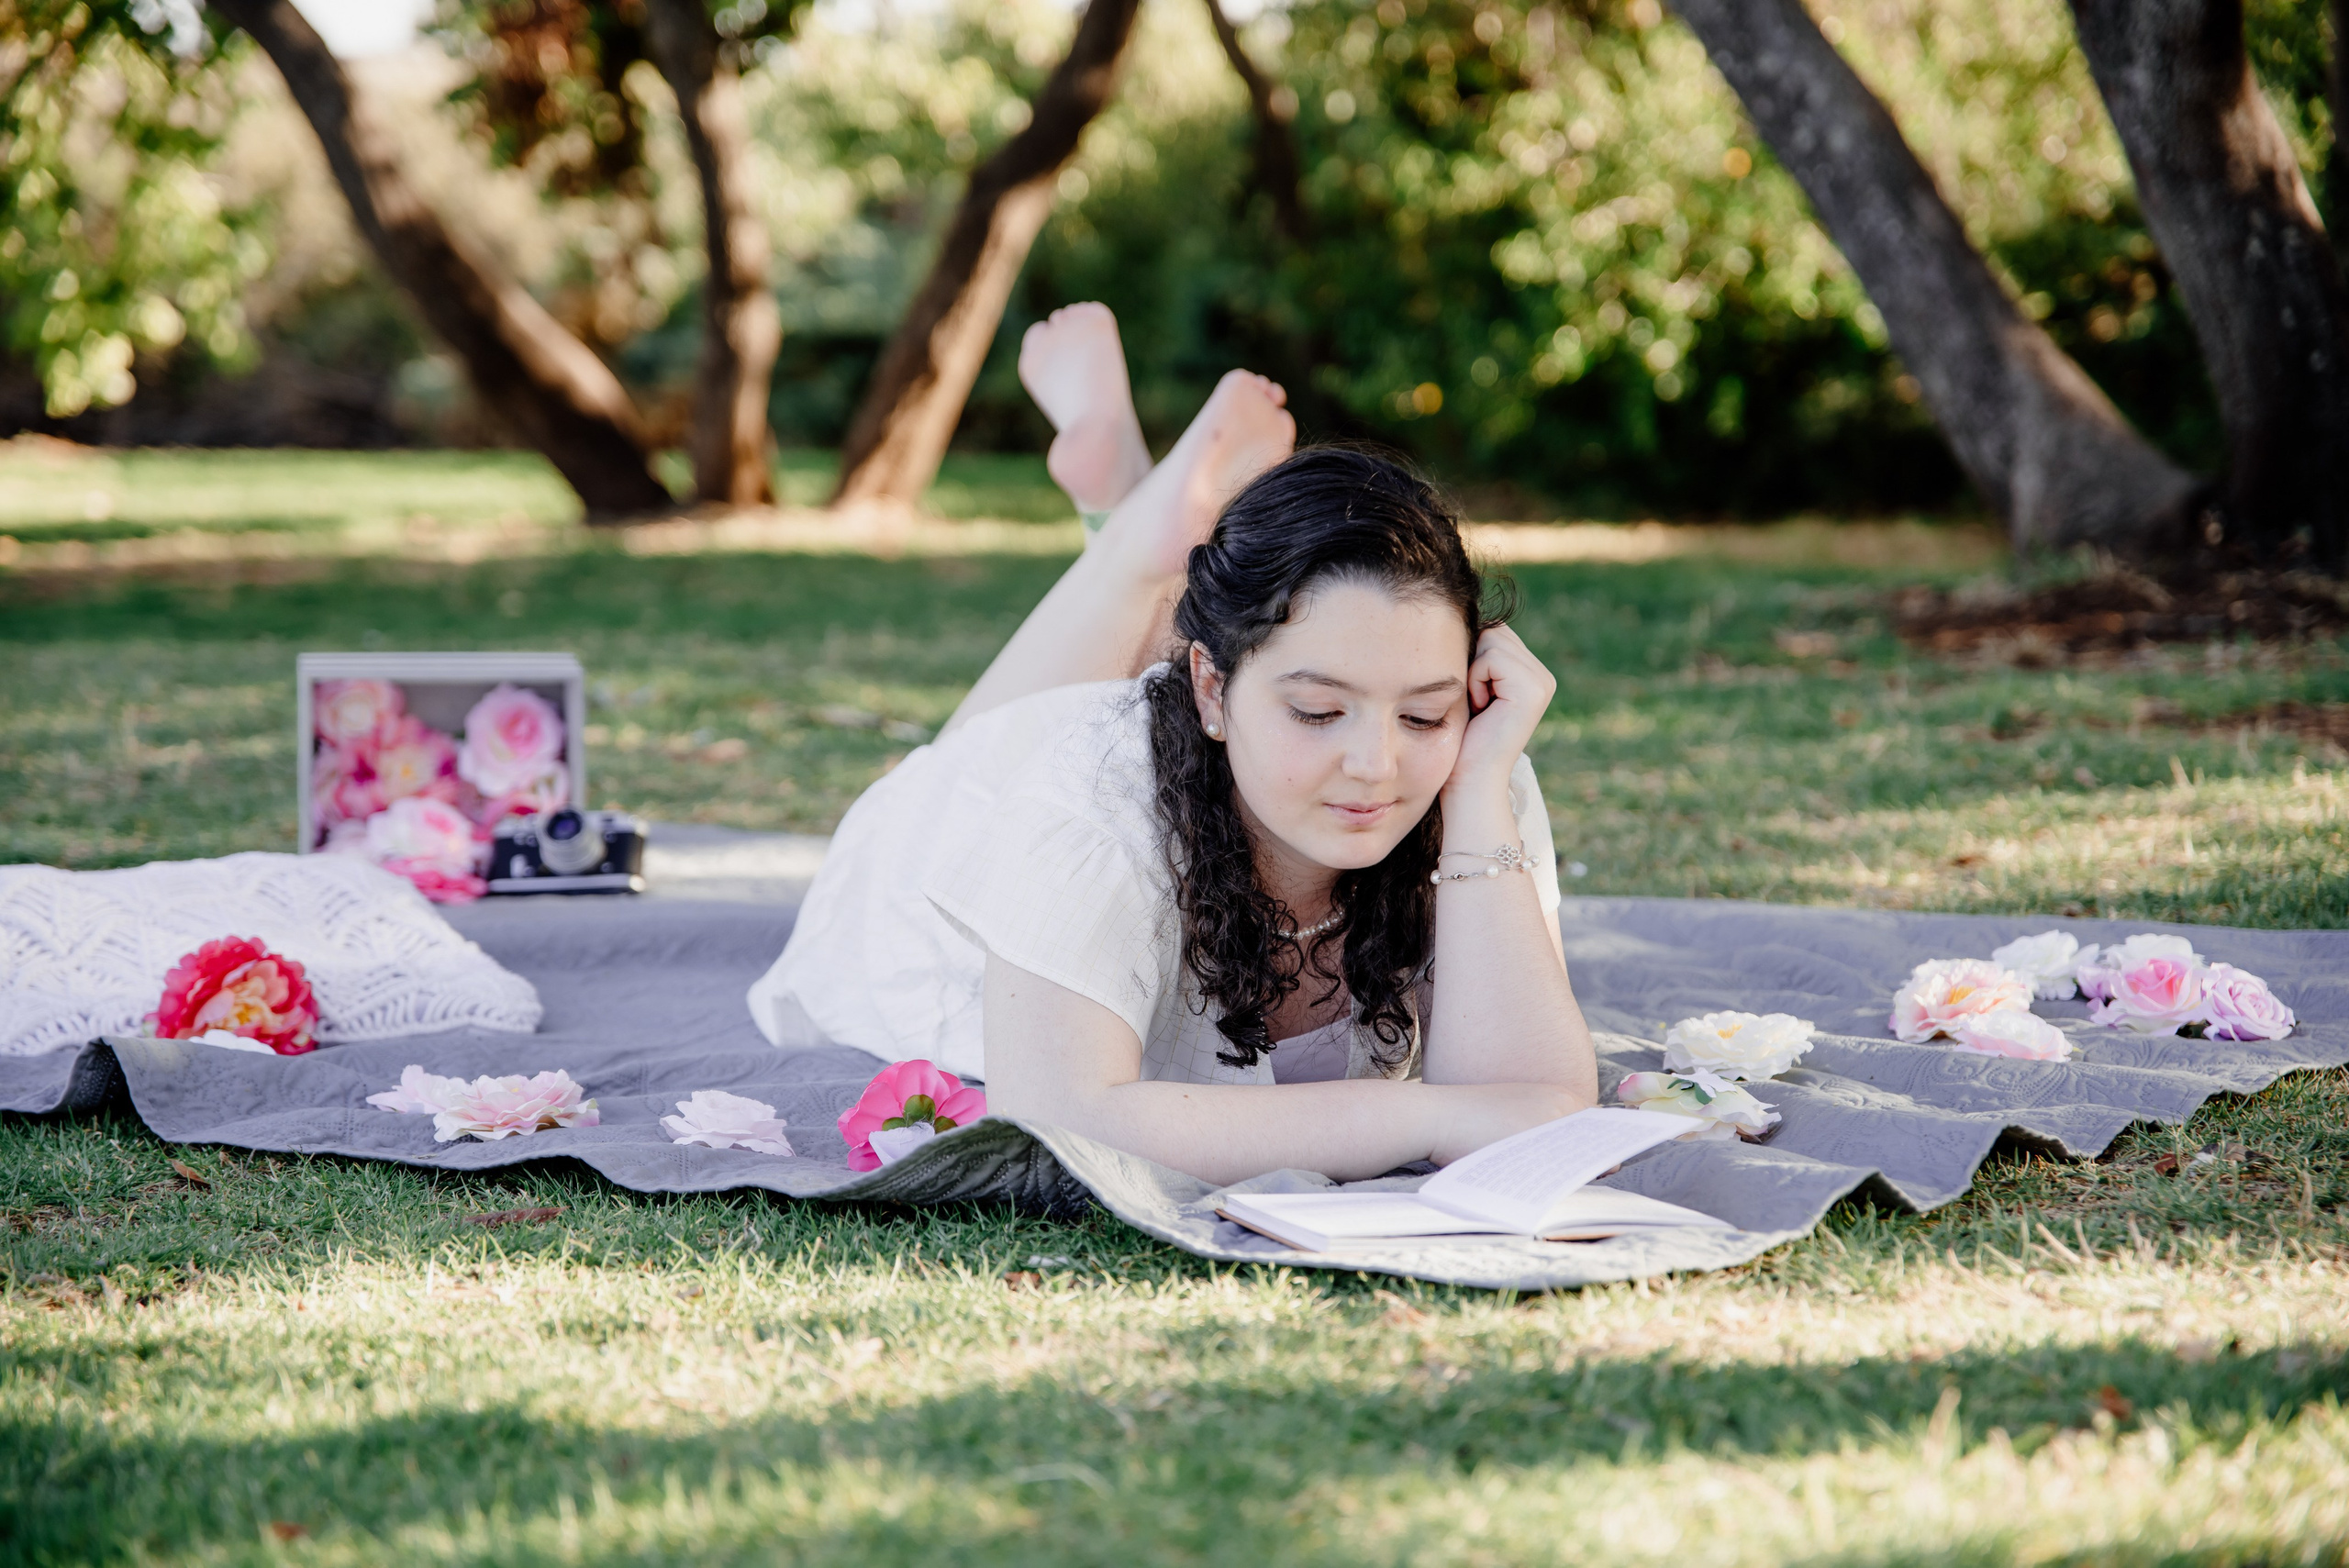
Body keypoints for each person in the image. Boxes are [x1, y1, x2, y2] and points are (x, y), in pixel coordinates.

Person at [747, 305, 1598, 1184]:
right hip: (934, 867)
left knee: (1198, 668)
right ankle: (1127, 536)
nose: (1378, 765)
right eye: (1318, 712)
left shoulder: (1473, 765)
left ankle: (1127, 519)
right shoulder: (1083, 802)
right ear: (1211, 691)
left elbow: (1538, 1100)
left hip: (1179, 737)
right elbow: (1059, 1119)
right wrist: (1433, 1114)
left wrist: (1479, 784)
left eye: (1422, 714)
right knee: (1006, 749)